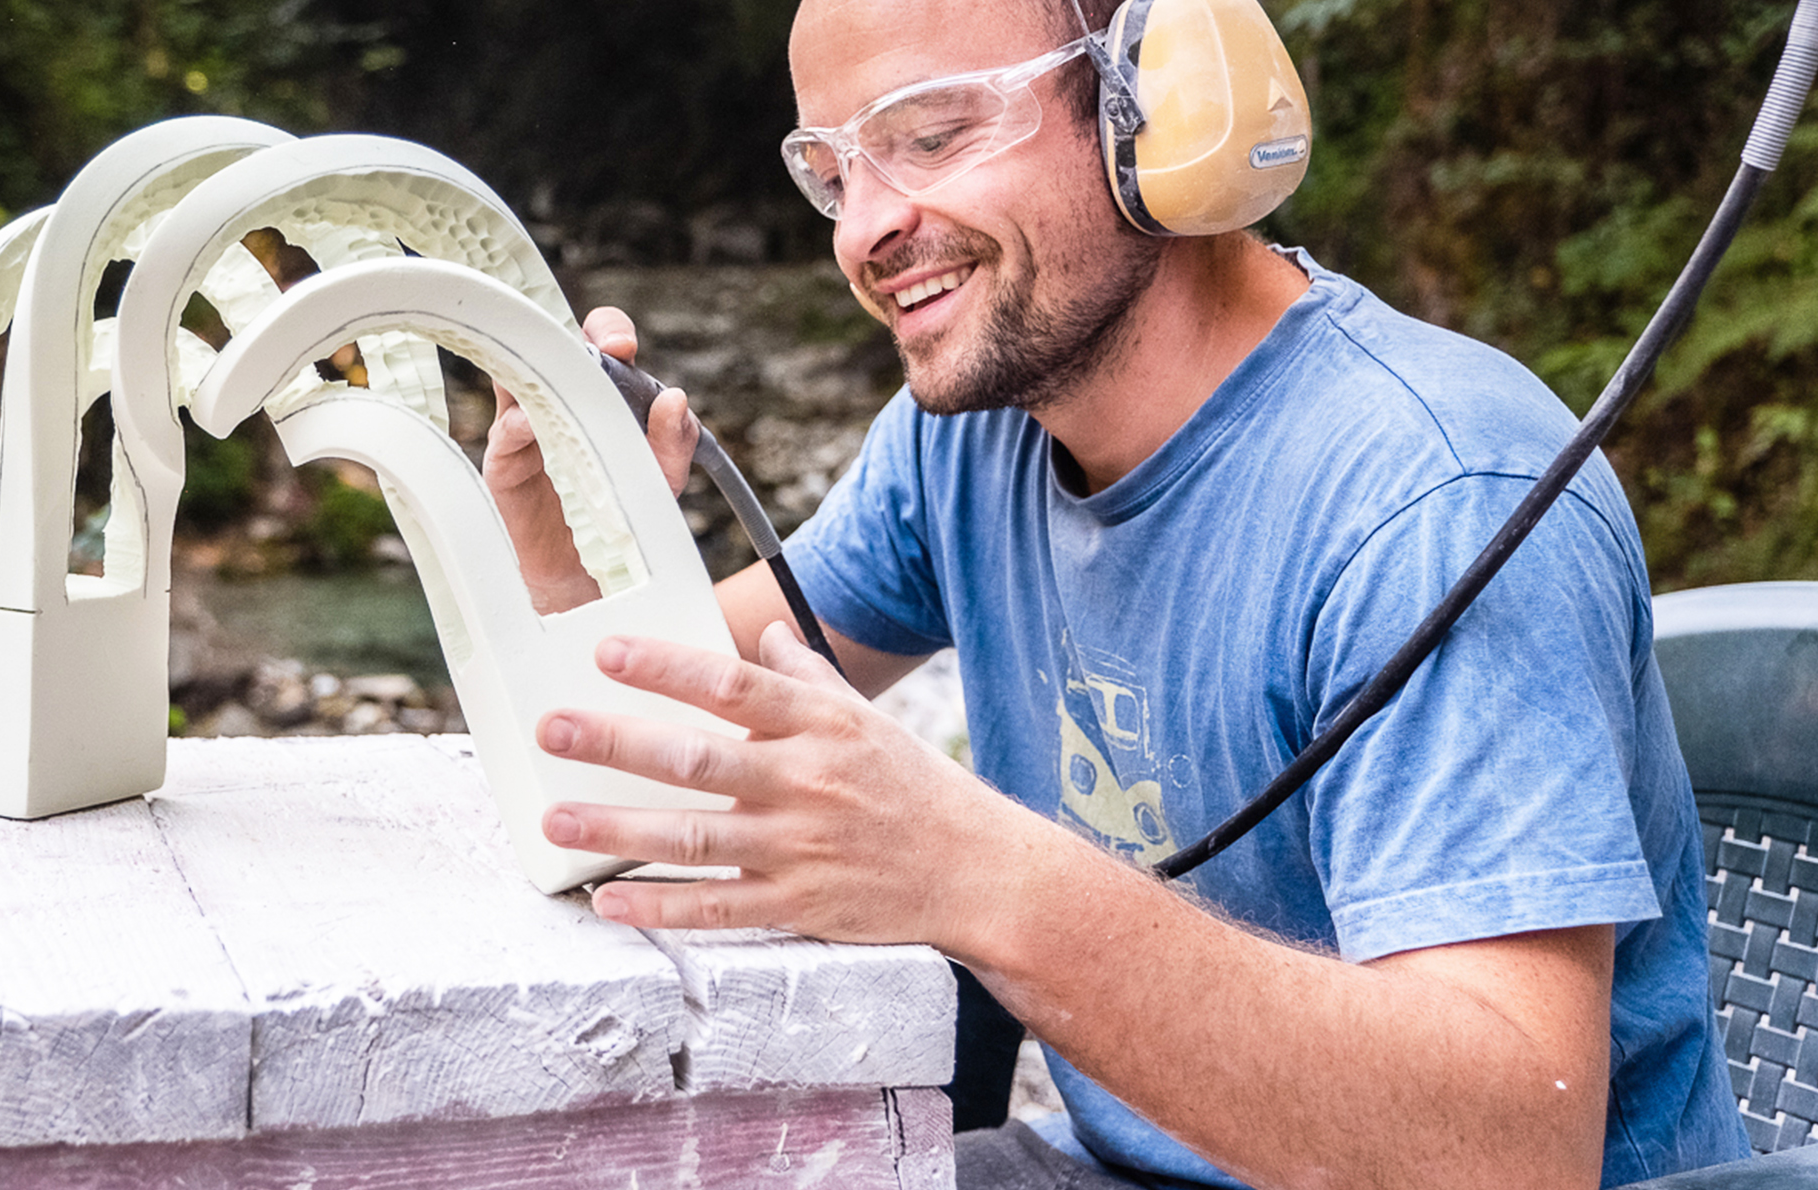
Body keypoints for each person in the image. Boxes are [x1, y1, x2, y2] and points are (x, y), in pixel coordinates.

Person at [479, 0, 1754, 1186]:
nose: (863, 231)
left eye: (928, 134)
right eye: (831, 169)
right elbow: (668, 750)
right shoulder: (969, 437)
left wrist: (971, 871)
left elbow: (1504, 1146)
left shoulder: (1432, 497)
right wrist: (568, 534)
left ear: (1163, 105)